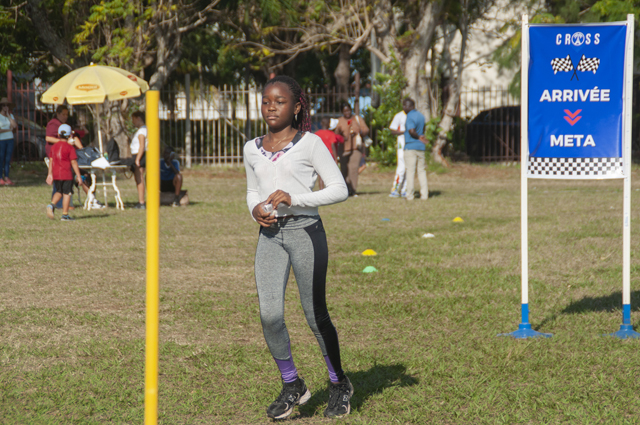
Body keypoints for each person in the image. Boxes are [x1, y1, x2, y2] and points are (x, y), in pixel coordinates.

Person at [244, 75, 352, 420]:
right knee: (269, 315)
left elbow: (339, 189)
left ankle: (339, 383)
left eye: (280, 101)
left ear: (296, 107)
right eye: (266, 101)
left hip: (306, 232)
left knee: (314, 315)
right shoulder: (251, 148)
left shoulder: (311, 143)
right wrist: (255, 209)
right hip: (270, 236)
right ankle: (292, 384)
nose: (271, 107)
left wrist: (296, 198)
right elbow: (252, 190)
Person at [45, 126, 83, 221]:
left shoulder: (54, 147)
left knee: (59, 191)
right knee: (67, 193)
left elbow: (51, 161)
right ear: (70, 136)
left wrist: (50, 174)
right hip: (67, 174)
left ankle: (51, 205)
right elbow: (73, 162)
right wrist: (78, 175)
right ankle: (65, 215)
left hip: (56, 174)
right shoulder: (70, 148)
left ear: (58, 134)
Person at [334, 102, 369, 197]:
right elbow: (335, 134)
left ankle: (352, 190)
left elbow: (366, 129)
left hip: (356, 148)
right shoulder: (339, 121)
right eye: (345, 111)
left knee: (353, 169)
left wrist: (359, 131)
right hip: (343, 148)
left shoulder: (357, 119)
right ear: (342, 112)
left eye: (348, 110)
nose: (347, 113)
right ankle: (345, 189)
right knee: (344, 169)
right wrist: (340, 133)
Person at [403, 98, 429, 200]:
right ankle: (424, 195)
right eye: (403, 105)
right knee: (421, 171)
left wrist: (418, 137)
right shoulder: (421, 116)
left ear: (412, 106)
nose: (404, 108)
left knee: (410, 171)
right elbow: (423, 129)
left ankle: (409, 195)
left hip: (411, 146)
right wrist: (421, 138)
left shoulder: (410, 116)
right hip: (421, 147)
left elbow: (411, 131)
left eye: (406, 105)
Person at [314, 117, 338, 190]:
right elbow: (333, 146)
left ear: (321, 123)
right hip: (329, 156)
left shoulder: (316, 134)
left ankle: (321, 190)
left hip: (319, 156)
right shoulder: (331, 134)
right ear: (329, 124)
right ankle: (329, 190)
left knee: (321, 176)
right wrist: (336, 158)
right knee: (329, 175)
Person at [130, 111, 147, 209]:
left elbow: (142, 146)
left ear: (138, 118)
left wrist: (137, 159)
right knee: (139, 178)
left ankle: (141, 202)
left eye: (133, 119)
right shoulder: (144, 129)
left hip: (139, 155)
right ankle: (141, 201)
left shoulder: (141, 131)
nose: (133, 122)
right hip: (140, 155)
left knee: (139, 178)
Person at [389, 109, 408, 197]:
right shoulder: (399, 116)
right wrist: (404, 132)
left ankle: (404, 189)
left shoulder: (413, 115)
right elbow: (393, 130)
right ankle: (395, 188)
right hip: (402, 145)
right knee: (401, 167)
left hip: (410, 145)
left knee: (409, 168)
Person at [0, 98, 17, 186]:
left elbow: (14, 126)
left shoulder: (10, 116)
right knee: (1, 158)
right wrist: (9, 129)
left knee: (7, 159)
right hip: (1, 140)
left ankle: (6, 177)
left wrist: (8, 115)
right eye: (4, 105)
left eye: (7, 105)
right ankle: (0, 178)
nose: (5, 107)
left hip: (10, 139)